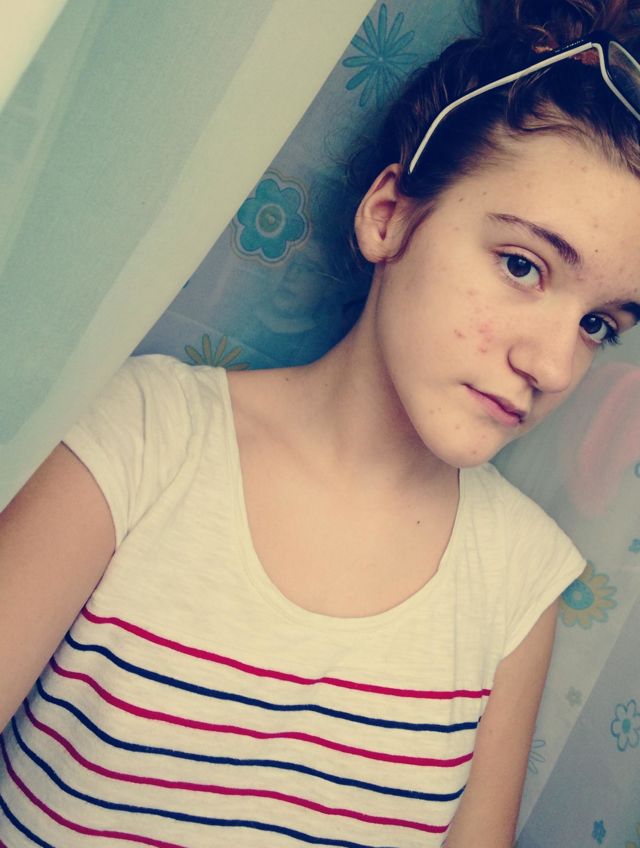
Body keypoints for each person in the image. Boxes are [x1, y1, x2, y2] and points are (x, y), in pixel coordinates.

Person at [1, 1, 639, 845]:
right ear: (389, 215)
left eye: (599, 324)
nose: (555, 367)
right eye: (522, 265)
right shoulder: (144, 437)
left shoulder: (520, 582)